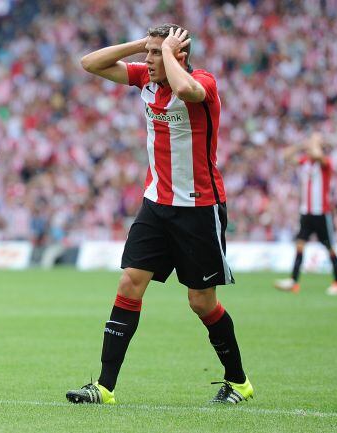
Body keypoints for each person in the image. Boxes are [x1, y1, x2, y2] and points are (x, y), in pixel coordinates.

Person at [67, 24, 254, 405]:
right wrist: (144, 44)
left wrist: (168, 53)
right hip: (156, 205)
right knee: (129, 284)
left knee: (201, 302)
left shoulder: (203, 83)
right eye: (147, 53)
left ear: (179, 55)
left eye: (155, 53)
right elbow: (89, 63)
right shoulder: (145, 80)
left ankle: (238, 382)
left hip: (199, 208)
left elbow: (187, 90)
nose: (145, 60)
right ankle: (104, 388)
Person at [275, 133, 337, 295]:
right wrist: (301, 145)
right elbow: (285, 156)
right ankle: (293, 280)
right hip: (306, 212)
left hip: (321, 213)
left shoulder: (325, 163)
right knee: (300, 244)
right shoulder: (305, 162)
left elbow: (317, 155)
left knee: (330, 247)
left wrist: (314, 143)